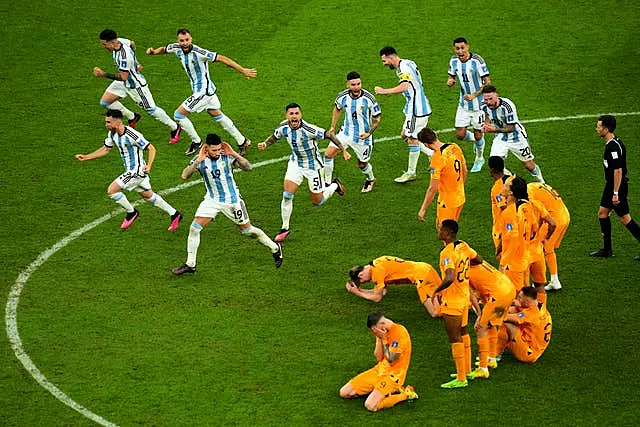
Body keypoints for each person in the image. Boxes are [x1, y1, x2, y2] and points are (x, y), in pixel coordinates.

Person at [171, 134, 283, 275]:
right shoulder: (199, 160)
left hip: (233, 201)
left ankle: (274, 248)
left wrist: (234, 153)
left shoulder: (227, 157)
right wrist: (198, 161)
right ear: (206, 148)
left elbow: (248, 168)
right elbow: (184, 176)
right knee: (194, 228)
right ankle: (190, 264)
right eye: (214, 150)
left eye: (219, 149)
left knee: (247, 231)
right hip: (212, 200)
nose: (217, 153)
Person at [146, 28, 255, 156]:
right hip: (207, 90)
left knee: (178, 115)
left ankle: (196, 141)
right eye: (182, 40)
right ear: (178, 41)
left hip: (203, 92)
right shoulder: (176, 48)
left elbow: (221, 58)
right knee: (216, 114)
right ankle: (242, 141)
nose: (185, 43)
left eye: (187, 40)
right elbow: (164, 49)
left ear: (191, 39)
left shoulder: (199, 52)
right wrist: (153, 52)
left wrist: (242, 70)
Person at [75, 109, 183, 231]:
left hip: (137, 171)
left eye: (108, 122)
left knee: (112, 190)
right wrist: (86, 157)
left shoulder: (132, 135)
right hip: (131, 171)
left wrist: (149, 165)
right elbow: (106, 149)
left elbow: (151, 148)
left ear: (118, 122)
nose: (106, 125)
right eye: (106, 122)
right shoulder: (112, 134)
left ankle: (131, 212)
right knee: (148, 196)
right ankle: (175, 214)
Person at [258, 103, 349, 242]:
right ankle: (285, 228)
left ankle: (334, 185)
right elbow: (275, 136)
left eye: (296, 113)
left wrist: (343, 150)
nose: (294, 116)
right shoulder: (283, 127)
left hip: (313, 167)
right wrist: (265, 144)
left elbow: (329, 135)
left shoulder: (309, 129)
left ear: (300, 115)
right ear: (287, 115)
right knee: (287, 195)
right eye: (291, 114)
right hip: (295, 164)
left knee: (317, 202)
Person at [94, 29, 181, 144]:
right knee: (105, 102)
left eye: (104, 44)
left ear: (111, 42)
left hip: (135, 86)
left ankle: (175, 127)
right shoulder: (120, 41)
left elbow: (123, 77)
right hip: (124, 82)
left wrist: (103, 74)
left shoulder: (123, 56)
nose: (104, 47)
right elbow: (132, 43)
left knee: (151, 109)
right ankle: (132, 117)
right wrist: (136, 62)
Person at [435, 220, 482, 388]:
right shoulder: (463, 246)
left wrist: (436, 291)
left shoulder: (447, 253)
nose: (438, 230)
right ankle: (467, 370)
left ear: (446, 234)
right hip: (464, 297)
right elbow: (479, 260)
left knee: (454, 337)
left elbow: (449, 277)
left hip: (453, 301)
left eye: (440, 229)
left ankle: (461, 379)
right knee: (463, 332)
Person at [374, 46, 433, 183]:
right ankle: (432, 153)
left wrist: (383, 91)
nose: (384, 64)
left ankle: (411, 172)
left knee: (411, 138)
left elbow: (404, 87)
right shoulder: (408, 62)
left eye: (384, 61)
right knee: (405, 135)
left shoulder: (404, 68)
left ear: (391, 57)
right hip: (415, 107)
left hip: (416, 110)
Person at [339, 312, 418, 411]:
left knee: (370, 405)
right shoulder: (381, 331)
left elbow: (391, 361)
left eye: (374, 330)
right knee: (344, 392)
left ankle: (406, 394)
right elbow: (378, 357)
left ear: (382, 324)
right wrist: (379, 338)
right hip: (379, 371)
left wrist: (384, 340)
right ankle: (378, 391)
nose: (374, 332)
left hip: (393, 376)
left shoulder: (399, 333)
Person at [590, 115, 640, 260]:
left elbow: (617, 171)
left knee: (625, 218)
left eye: (599, 126)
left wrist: (616, 193)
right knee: (602, 214)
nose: (597, 129)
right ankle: (607, 250)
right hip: (612, 186)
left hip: (616, 187)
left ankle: (607, 250)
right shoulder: (614, 143)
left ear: (606, 129)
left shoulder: (613, 147)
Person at [326, 71, 382, 193]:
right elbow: (337, 109)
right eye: (353, 84)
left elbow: (377, 119)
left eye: (358, 84)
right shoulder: (342, 96)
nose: (356, 87)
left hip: (363, 138)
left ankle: (371, 179)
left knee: (362, 164)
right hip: (345, 133)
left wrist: (369, 133)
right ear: (347, 85)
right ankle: (327, 183)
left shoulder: (369, 98)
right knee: (328, 154)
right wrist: (332, 127)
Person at [481, 85, 545, 183]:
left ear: (496, 95)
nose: (488, 102)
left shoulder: (507, 106)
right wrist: (486, 124)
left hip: (517, 137)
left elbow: (511, 128)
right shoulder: (484, 105)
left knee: (529, 165)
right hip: (501, 138)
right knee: (494, 165)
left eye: (491, 99)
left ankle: (542, 182)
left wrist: (494, 130)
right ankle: (511, 180)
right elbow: (487, 114)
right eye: (486, 99)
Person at [447, 37, 491, 172]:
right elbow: (452, 76)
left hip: (479, 106)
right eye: (457, 48)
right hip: (464, 104)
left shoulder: (477, 61)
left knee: (478, 133)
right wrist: (450, 81)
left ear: (467, 47)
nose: (460, 51)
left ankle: (479, 158)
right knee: (460, 134)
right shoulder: (453, 61)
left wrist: (474, 95)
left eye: (462, 48)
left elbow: (488, 82)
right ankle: (478, 143)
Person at [345, 256, 442, 317]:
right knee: (444, 296)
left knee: (435, 312)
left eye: (362, 281)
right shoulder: (376, 262)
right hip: (425, 268)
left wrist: (357, 292)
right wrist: (361, 290)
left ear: (360, 275)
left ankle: (455, 313)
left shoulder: (376, 272)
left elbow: (377, 298)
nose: (366, 281)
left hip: (422, 277)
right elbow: (382, 292)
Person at [468, 260, 517, 378]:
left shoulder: (463, 271)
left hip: (498, 295)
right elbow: (484, 291)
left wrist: (479, 315)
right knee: (491, 324)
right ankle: (491, 358)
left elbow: (471, 296)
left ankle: (483, 368)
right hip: (509, 290)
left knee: (481, 328)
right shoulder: (480, 265)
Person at [417, 127, 467, 229]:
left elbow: (432, 188)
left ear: (426, 144)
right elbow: (464, 170)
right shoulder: (454, 147)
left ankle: (451, 245)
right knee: (452, 227)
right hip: (460, 196)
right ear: (435, 135)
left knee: (444, 231)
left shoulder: (437, 159)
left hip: (447, 202)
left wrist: (423, 209)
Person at [527, 182, 571, 290]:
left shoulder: (529, 195)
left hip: (555, 219)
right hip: (564, 215)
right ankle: (553, 280)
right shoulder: (533, 185)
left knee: (542, 246)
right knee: (546, 248)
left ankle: (545, 280)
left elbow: (541, 212)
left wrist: (540, 232)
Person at [497, 286, 552, 363]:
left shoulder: (531, 314)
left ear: (527, 301)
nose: (517, 299)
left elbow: (506, 317)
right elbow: (517, 310)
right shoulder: (538, 305)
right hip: (535, 344)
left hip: (529, 353)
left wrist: (491, 311)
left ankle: (496, 353)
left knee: (507, 323)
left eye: (519, 298)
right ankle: (502, 345)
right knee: (513, 310)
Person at [488, 156, 512, 259]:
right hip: (519, 225)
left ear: (492, 169)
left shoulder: (497, 188)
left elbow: (504, 208)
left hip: (502, 229)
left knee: (504, 261)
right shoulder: (512, 179)